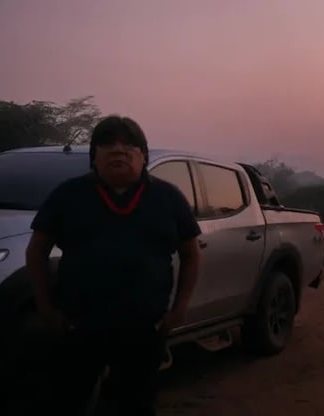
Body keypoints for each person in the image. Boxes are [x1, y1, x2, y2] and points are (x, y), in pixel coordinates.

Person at [25, 115, 202, 415]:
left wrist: (178, 310)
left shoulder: (168, 198)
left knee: (135, 404)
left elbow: (191, 254)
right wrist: (46, 309)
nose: (118, 150)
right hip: (79, 326)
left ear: (143, 155)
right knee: (66, 401)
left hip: (144, 328)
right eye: (107, 143)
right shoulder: (68, 195)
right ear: (94, 156)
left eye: (129, 144)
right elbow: (36, 251)